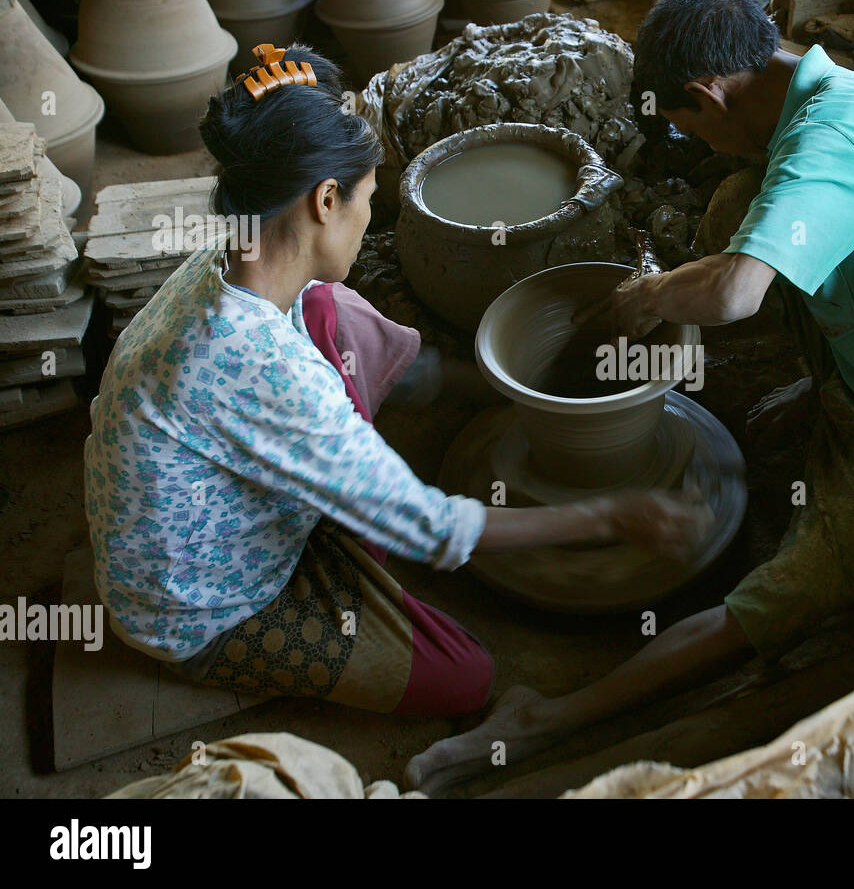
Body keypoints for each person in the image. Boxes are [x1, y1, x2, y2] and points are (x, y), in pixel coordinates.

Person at [405, 0, 854, 791]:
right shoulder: (834, 84)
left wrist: (644, 297)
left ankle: (546, 717)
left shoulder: (831, 147)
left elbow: (733, 295)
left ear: (706, 91)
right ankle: (806, 388)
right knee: (738, 199)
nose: (687, 141)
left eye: (683, 121)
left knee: (785, 598)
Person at [83, 44, 706, 718]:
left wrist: (511, 386)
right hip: (199, 606)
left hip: (204, 498)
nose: (370, 221)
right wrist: (610, 513)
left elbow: (315, 338)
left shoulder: (235, 258)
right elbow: (434, 527)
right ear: (326, 201)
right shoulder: (263, 365)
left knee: (329, 304)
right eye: (368, 202)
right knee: (466, 673)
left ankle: (382, 485)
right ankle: (346, 548)